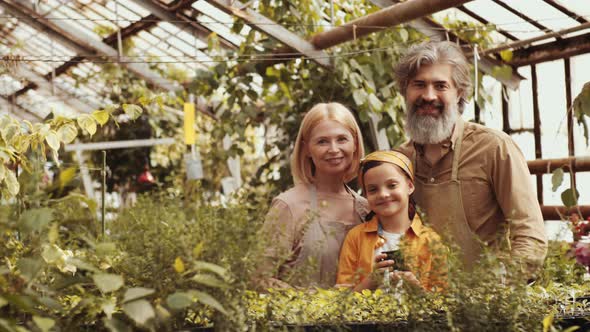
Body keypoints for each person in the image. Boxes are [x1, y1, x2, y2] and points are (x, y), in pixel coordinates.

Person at [394, 41, 547, 269]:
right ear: (405, 91)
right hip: (420, 299)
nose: (428, 95)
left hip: (484, 299)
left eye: (441, 86)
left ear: (460, 93)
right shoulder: (400, 160)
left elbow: (530, 236)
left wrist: (499, 290)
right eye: (419, 84)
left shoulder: (493, 148)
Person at [256, 102, 369, 289]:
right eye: (322, 141)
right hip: (300, 318)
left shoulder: (367, 209)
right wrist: (315, 301)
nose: (333, 149)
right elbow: (258, 278)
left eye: (342, 139)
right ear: (307, 148)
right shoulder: (289, 206)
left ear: (355, 143)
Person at [337, 151, 446, 292]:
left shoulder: (431, 241)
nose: (383, 194)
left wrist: (417, 290)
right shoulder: (355, 238)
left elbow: (445, 304)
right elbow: (341, 299)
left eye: (392, 185)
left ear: (410, 186)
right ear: (365, 195)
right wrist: (371, 282)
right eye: (373, 189)